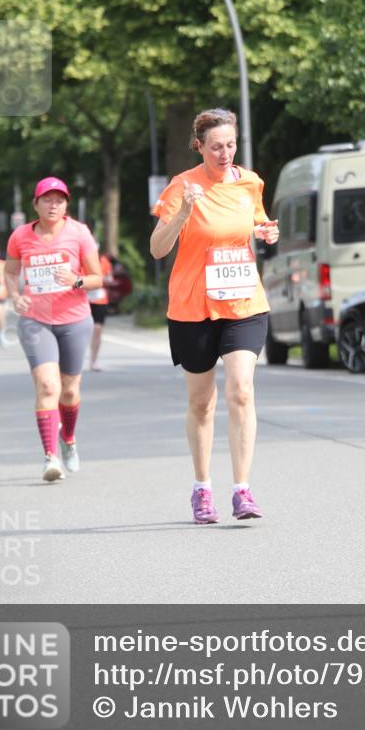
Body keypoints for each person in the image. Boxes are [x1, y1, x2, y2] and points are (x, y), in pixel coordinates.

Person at [150, 108, 279, 524]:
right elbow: (156, 249)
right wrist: (185, 212)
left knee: (241, 390)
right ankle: (202, 488)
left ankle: (242, 489)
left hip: (243, 302)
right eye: (216, 147)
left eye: (230, 145)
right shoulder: (182, 187)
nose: (225, 154)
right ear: (199, 147)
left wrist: (266, 232)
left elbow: (256, 223)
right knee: (202, 403)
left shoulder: (250, 183)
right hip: (193, 306)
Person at [4, 177, 102, 482]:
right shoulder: (20, 235)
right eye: (47, 199)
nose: (53, 205)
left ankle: (68, 439)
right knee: (48, 386)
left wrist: (75, 279)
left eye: (59, 200)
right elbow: (9, 272)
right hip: (36, 318)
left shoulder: (79, 233)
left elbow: (97, 277)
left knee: (70, 391)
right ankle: (51, 457)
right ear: (36, 204)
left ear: (66, 205)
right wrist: (15, 296)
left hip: (74, 317)